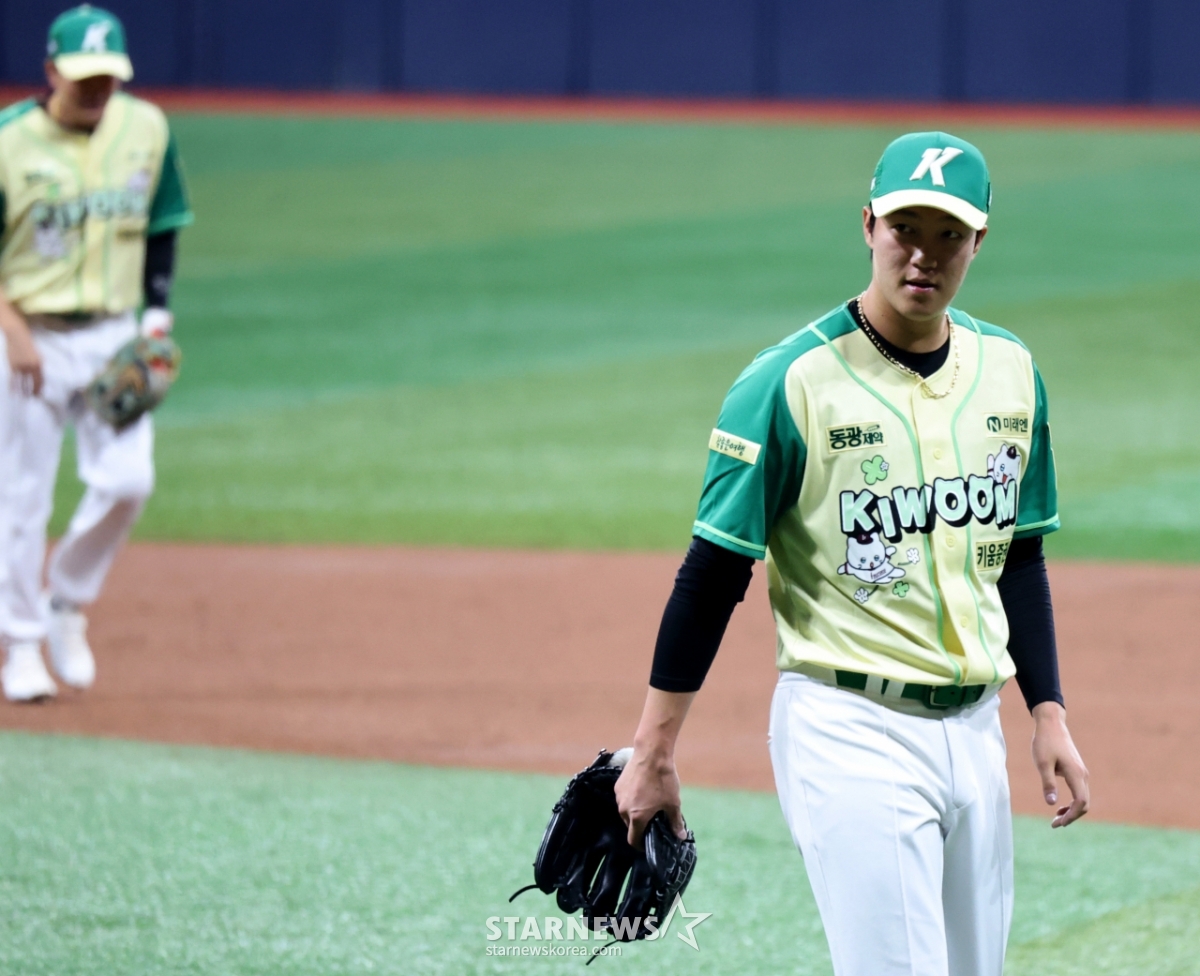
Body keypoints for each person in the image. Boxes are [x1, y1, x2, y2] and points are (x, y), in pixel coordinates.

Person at [614, 132, 1089, 976]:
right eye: (905, 227)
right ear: (868, 225)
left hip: (977, 732)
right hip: (851, 730)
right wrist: (653, 753)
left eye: (948, 233)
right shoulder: (788, 382)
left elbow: (1018, 554)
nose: (924, 254)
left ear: (979, 241)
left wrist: (1046, 711)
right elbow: (713, 573)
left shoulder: (1012, 372)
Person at [0, 5, 193, 701]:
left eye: (108, 76)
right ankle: (21, 645)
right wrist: (13, 333)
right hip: (30, 337)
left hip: (113, 334)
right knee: (21, 498)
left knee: (128, 481)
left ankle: (66, 600)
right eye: (84, 77)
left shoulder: (146, 127)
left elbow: (164, 222)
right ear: (51, 71)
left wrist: (156, 318)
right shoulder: (9, 141)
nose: (97, 89)